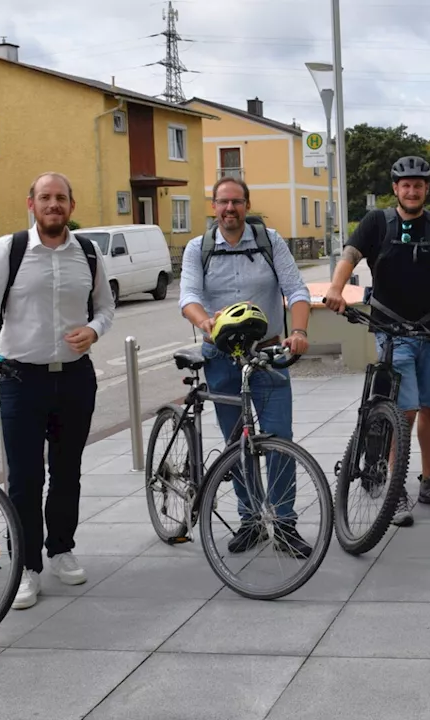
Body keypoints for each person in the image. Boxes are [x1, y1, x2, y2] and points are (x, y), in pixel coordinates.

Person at [0, 171, 116, 610]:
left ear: (71, 205)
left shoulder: (87, 252)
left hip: (75, 377)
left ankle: (61, 549)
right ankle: (27, 566)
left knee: (68, 471)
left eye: (60, 198)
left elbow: (105, 306)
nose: (53, 204)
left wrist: (94, 329)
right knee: (25, 478)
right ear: (32, 204)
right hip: (20, 380)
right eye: (45, 197)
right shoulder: (10, 250)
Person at [323, 155, 430, 526]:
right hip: (390, 330)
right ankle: (395, 487)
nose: (412, 190)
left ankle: (429, 482)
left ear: (426, 189)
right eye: (406, 185)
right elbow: (350, 256)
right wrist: (336, 289)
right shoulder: (377, 222)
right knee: (405, 411)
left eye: (419, 185)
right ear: (395, 189)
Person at [179, 176, 313, 557]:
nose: (230, 209)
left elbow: (296, 290)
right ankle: (250, 519)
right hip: (221, 357)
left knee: (279, 438)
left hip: (267, 353)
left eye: (236, 202)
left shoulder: (270, 242)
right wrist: (204, 320)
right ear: (213, 206)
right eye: (223, 203)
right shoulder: (197, 248)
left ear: (247, 205)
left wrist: (299, 330)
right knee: (237, 441)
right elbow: (187, 295)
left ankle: (284, 523)